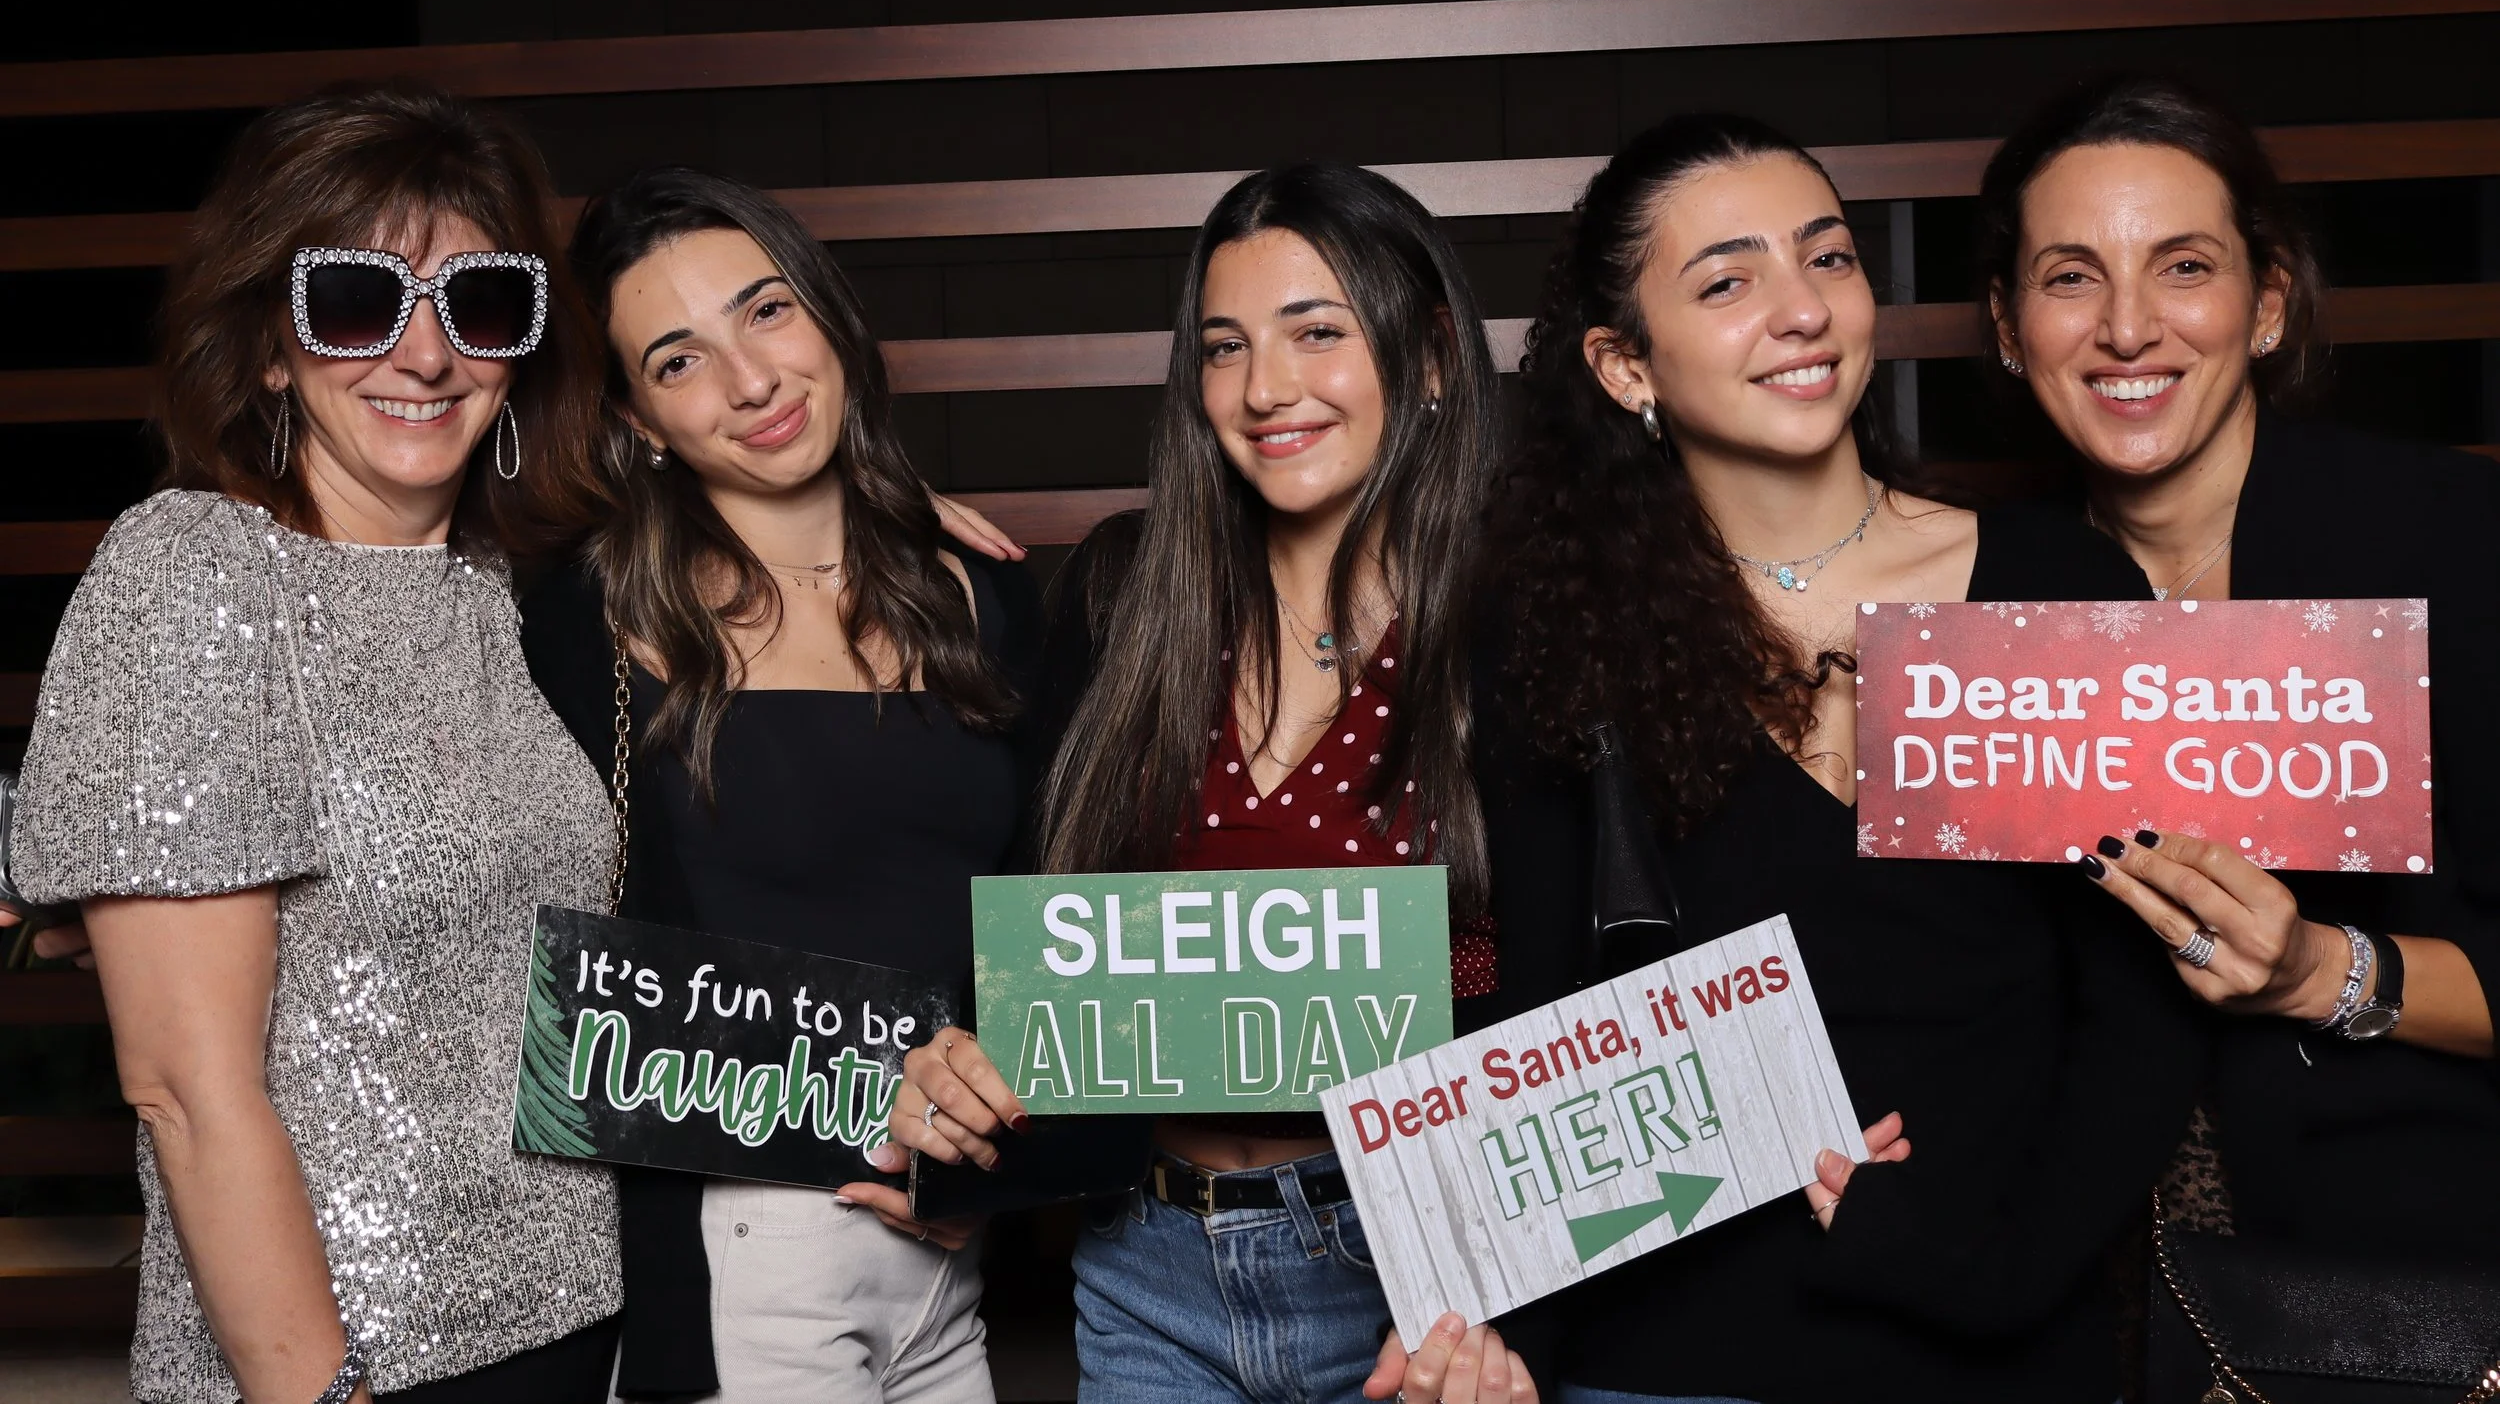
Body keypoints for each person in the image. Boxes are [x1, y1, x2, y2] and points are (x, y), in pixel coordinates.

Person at [1478, 113, 2200, 1402]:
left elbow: (2139, 1007)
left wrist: (1985, 1264)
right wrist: (1501, 1336)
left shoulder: (2047, 586)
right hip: (1677, 1359)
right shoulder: (1559, 637)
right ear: (1623, 363)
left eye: (1827, 257)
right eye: (1728, 281)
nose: (1802, 309)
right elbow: (1542, 1018)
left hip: (2002, 1341)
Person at [7, 82, 623, 1403]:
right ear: (273, 345)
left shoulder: (506, 596)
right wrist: (320, 1390)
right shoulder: (195, 569)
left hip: (576, 1322)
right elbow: (181, 1082)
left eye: (481, 303)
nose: (424, 353)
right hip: (341, 1363)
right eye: (358, 299)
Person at [878, 163, 1530, 1404]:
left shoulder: (1514, 624)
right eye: (1224, 347)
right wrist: (850, 508)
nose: (1266, 387)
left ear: (1434, 354)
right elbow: (1031, 914)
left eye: (1317, 333)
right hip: (1148, 1259)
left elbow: (1570, 967)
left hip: (1419, 1275)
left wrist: (1516, 1296)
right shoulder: (1127, 593)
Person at [519, 167, 1040, 1403]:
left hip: (942, 1244)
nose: (750, 380)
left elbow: (1043, 915)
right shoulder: (586, 620)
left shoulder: (983, 592)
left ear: (825, 314)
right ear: (639, 419)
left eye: (764, 312)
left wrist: (992, 1172)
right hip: (740, 1246)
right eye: (678, 358)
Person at [1984, 75, 2500, 1261]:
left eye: (2182, 266)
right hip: (2075, 1284)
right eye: (2070, 275)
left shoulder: (2457, 537)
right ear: (2009, 331)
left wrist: (2328, 968)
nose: (2126, 328)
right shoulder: (1982, 605)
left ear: (2266, 304)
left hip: (2422, 1269)